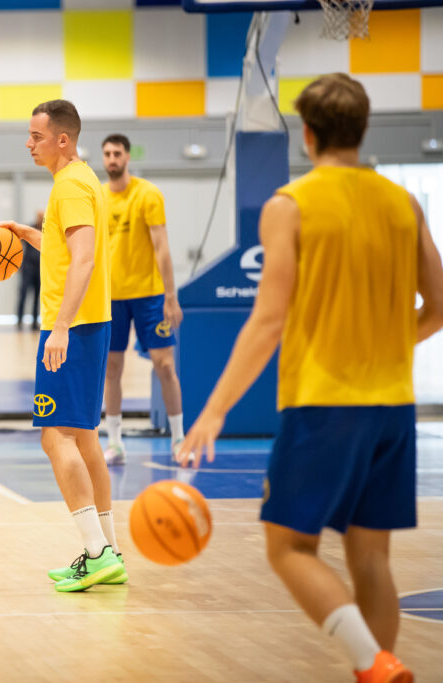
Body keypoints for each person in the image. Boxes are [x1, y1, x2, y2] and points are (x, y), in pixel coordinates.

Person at [176, 73, 443, 682]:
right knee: (371, 559)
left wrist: (214, 411)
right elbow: (440, 304)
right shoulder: (403, 203)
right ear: (363, 128)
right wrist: (387, 341)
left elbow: (268, 321)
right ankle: (377, 667)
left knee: (289, 547)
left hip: (325, 403)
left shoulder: (289, 205)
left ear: (308, 132)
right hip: (393, 405)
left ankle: (373, 662)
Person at [0, 100, 126, 592]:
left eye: (36, 136)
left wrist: (62, 327)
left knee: (55, 438)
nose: (29, 143)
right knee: (85, 439)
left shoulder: (68, 186)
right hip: (94, 324)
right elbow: (71, 250)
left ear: (61, 139)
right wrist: (32, 234)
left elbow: (85, 260)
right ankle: (109, 552)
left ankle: (95, 553)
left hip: (72, 328)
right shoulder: (83, 179)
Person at [99, 134, 185, 465]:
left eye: (117, 153)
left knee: (165, 366)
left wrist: (170, 295)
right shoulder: (98, 198)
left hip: (150, 296)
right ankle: (116, 443)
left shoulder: (148, 194)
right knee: (112, 369)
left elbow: (161, 245)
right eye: (107, 154)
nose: (111, 159)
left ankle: (179, 438)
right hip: (111, 297)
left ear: (127, 157)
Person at [15, 211, 42, 330]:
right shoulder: (29, 229)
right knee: (23, 294)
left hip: (40, 269)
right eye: (39, 217)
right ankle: (19, 320)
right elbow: (17, 244)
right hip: (27, 268)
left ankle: (35, 322)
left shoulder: (46, 231)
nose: (41, 218)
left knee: (37, 296)